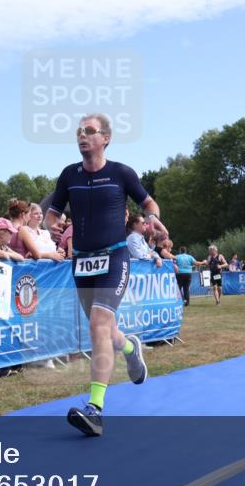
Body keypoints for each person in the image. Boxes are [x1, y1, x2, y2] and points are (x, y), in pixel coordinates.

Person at [45, 113, 164, 437]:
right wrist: (50, 223)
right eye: (79, 132)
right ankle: (129, 349)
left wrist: (151, 218)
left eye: (90, 131)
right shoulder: (69, 176)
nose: (82, 136)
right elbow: (52, 213)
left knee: (98, 324)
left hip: (114, 257)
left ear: (106, 138)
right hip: (82, 261)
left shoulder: (121, 173)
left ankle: (95, 408)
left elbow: (149, 202)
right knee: (105, 330)